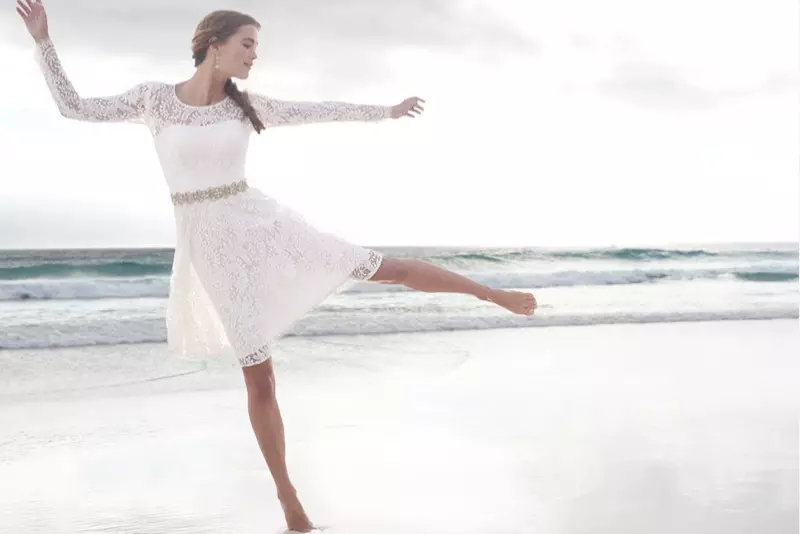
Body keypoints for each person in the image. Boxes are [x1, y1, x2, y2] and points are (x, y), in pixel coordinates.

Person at [17, 1, 537, 532]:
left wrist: (385, 110)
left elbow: (319, 109)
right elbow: (73, 107)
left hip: (265, 227)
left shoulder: (246, 106)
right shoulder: (154, 99)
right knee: (259, 379)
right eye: (247, 45)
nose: (254, 56)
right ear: (213, 44)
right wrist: (43, 42)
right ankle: (290, 503)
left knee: (378, 266)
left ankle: (489, 294)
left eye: (256, 48)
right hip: (213, 252)